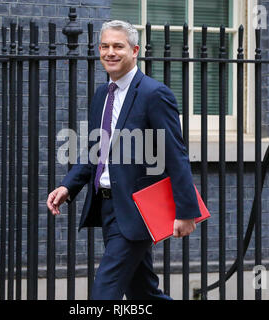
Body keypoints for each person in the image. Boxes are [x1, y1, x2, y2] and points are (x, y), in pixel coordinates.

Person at [46, 20, 201, 300]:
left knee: (103, 293)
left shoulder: (154, 94)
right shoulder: (101, 95)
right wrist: (69, 186)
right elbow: (96, 150)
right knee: (143, 293)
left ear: (135, 50)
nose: (110, 52)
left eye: (118, 46)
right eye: (104, 46)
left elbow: (175, 153)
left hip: (137, 210)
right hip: (107, 206)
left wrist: (186, 211)